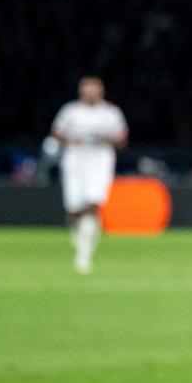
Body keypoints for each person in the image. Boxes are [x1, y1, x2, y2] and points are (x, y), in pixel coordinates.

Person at [48, 76, 128, 274]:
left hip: (100, 161)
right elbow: (56, 132)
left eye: (95, 88)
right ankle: (80, 231)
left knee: (93, 203)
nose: (91, 92)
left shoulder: (111, 113)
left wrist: (105, 138)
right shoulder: (70, 111)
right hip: (75, 161)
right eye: (87, 88)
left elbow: (122, 139)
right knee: (74, 207)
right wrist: (68, 139)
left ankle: (83, 255)